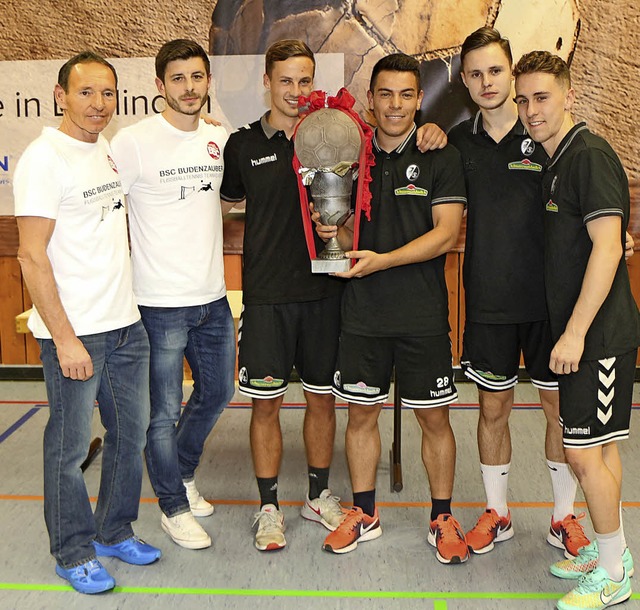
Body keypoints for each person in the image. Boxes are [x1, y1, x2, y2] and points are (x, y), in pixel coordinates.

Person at [14, 51, 161, 594]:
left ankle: (113, 530)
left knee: (131, 434)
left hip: (127, 325)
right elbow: (32, 256)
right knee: (70, 447)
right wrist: (66, 337)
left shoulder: (102, 149)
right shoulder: (43, 159)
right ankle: (72, 551)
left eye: (107, 93)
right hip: (76, 335)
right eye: (85, 93)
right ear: (60, 95)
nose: (98, 104)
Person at [320, 53, 469, 565]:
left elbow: (447, 235)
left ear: (420, 99)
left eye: (407, 94)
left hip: (422, 315)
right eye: (386, 94)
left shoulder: (439, 156)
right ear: (370, 98)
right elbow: (340, 229)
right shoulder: (350, 153)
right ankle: (364, 513)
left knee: (435, 420)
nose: (396, 105)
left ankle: (442, 518)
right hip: (362, 314)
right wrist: (329, 231)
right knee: (361, 417)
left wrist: (383, 261)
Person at [447, 27, 589, 558]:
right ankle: (498, 513)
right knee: (492, 411)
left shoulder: (548, 137)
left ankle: (561, 518)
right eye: (476, 74)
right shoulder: (457, 143)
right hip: (487, 305)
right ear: (463, 81)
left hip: (551, 306)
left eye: (496, 72)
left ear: (512, 73)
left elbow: (586, 202)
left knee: (559, 415)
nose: (487, 82)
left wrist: (613, 233)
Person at [514, 50, 638, 610]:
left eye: (541, 97)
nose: (530, 109)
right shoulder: (557, 160)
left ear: (567, 94)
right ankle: (613, 552)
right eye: (523, 99)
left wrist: (575, 334)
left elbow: (610, 247)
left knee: (584, 453)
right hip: (589, 337)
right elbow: (599, 240)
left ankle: (614, 576)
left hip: (599, 338)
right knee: (600, 452)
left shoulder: (587, 155)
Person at [110, 39, 235, 551]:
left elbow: (224, 205)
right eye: (178, 79)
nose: (189, 88)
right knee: (161, 412)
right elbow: (102, 214)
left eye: (197, 77)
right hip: (159, 304)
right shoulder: (132, 142)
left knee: (218, 393)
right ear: (160, 86)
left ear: (209, 82)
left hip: (213, 298)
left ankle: (181, 473)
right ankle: (172, 507)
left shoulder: (219, 139)